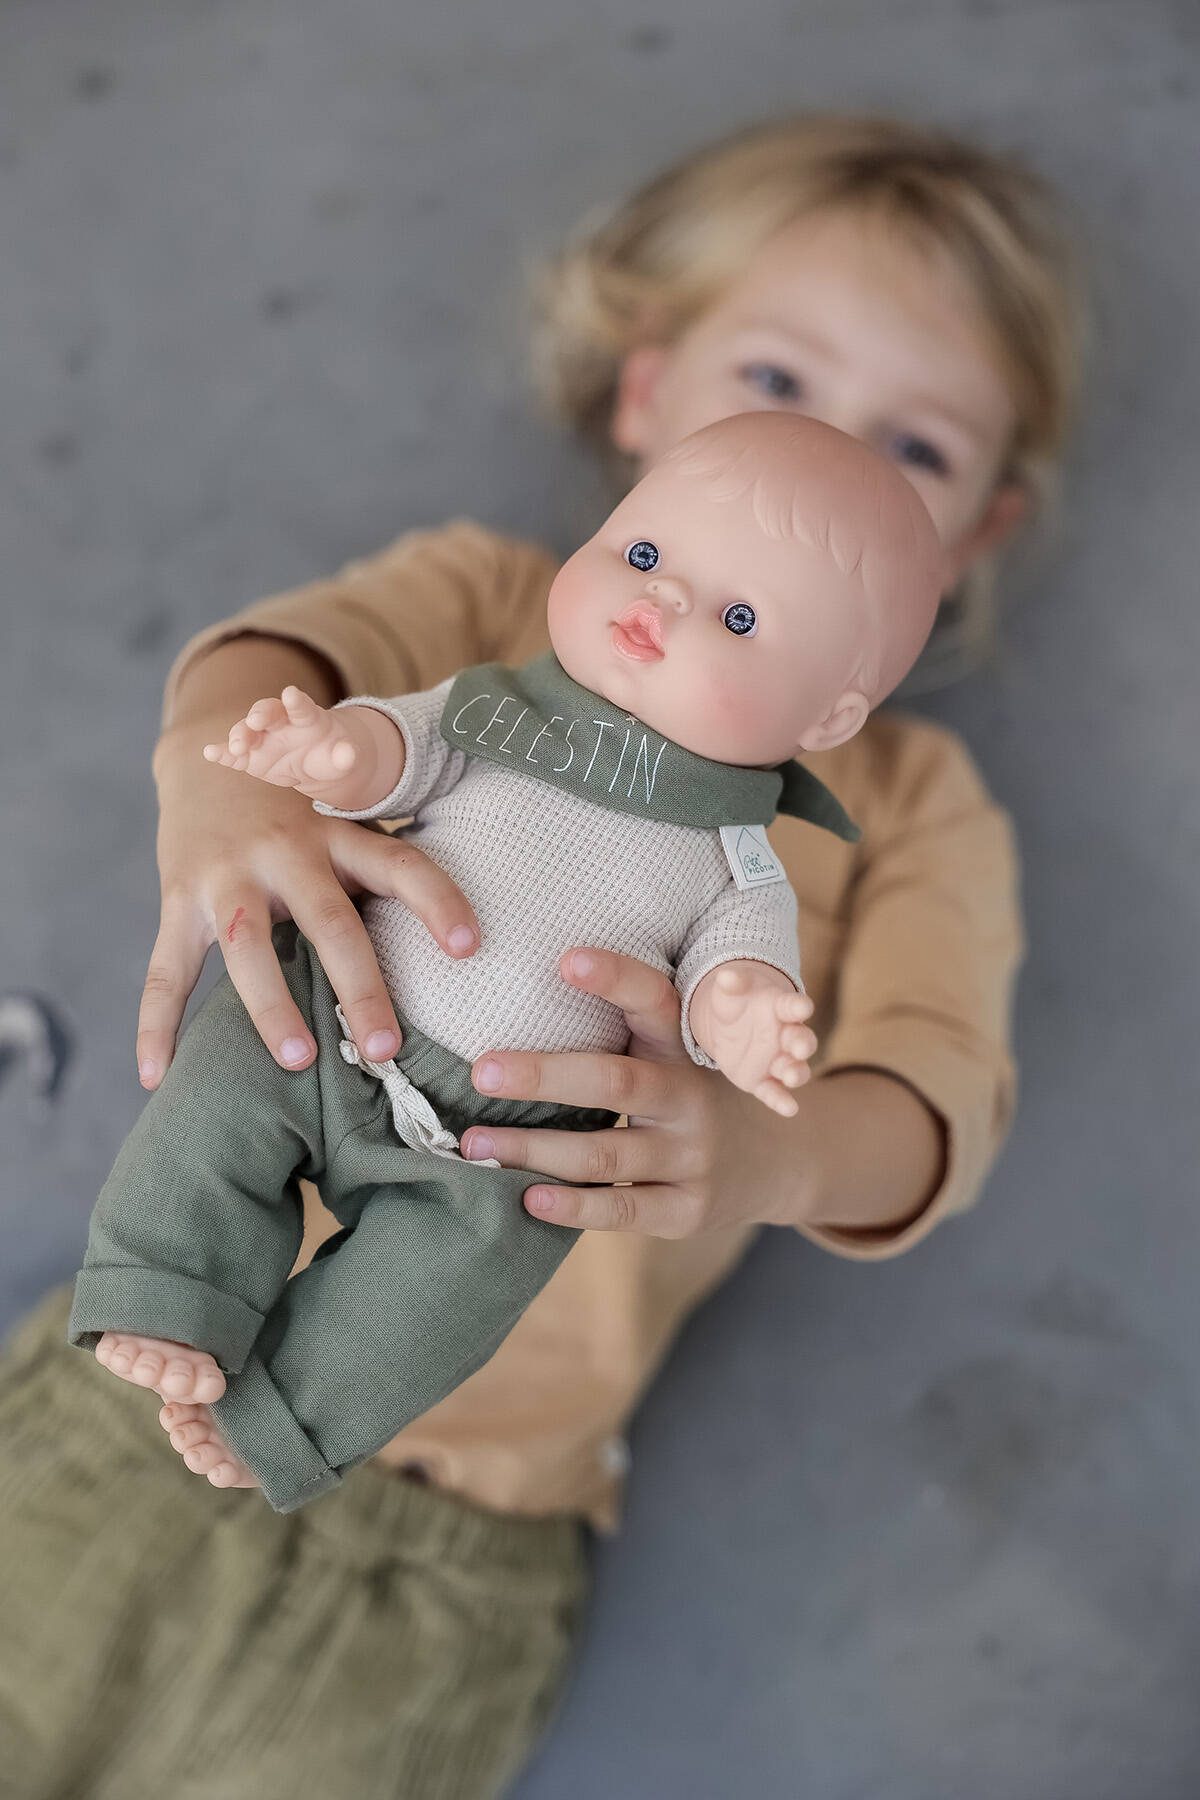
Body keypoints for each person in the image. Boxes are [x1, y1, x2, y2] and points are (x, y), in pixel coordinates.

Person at [0, 113, 1083, 1799]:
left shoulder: (916, 811)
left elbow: (938, 1096)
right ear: (646, 402)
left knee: (467, 1253)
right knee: (235, 1095)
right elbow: (298, 669)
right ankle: (175, 1281)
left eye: (914, 452)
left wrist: (766, 1144)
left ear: (964, 553)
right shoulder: (490, 605)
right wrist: (224, 784)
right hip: (130, 1402)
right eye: (777, 388)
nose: (827, 466)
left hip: (459, 1555)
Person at [69, 414, 942, 1511]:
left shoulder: (738, 864)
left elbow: (734, 966)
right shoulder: (498, 706)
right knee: (225, 1090)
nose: (659, 604)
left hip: (498, 1150)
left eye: (736, 616)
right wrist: (341, 754)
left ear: (830, 714)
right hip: (337, 1011)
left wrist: (744, 1016)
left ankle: (280, 1417)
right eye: (642, 556)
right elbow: (404, 749)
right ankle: (164, 1286)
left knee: (448, 1289)